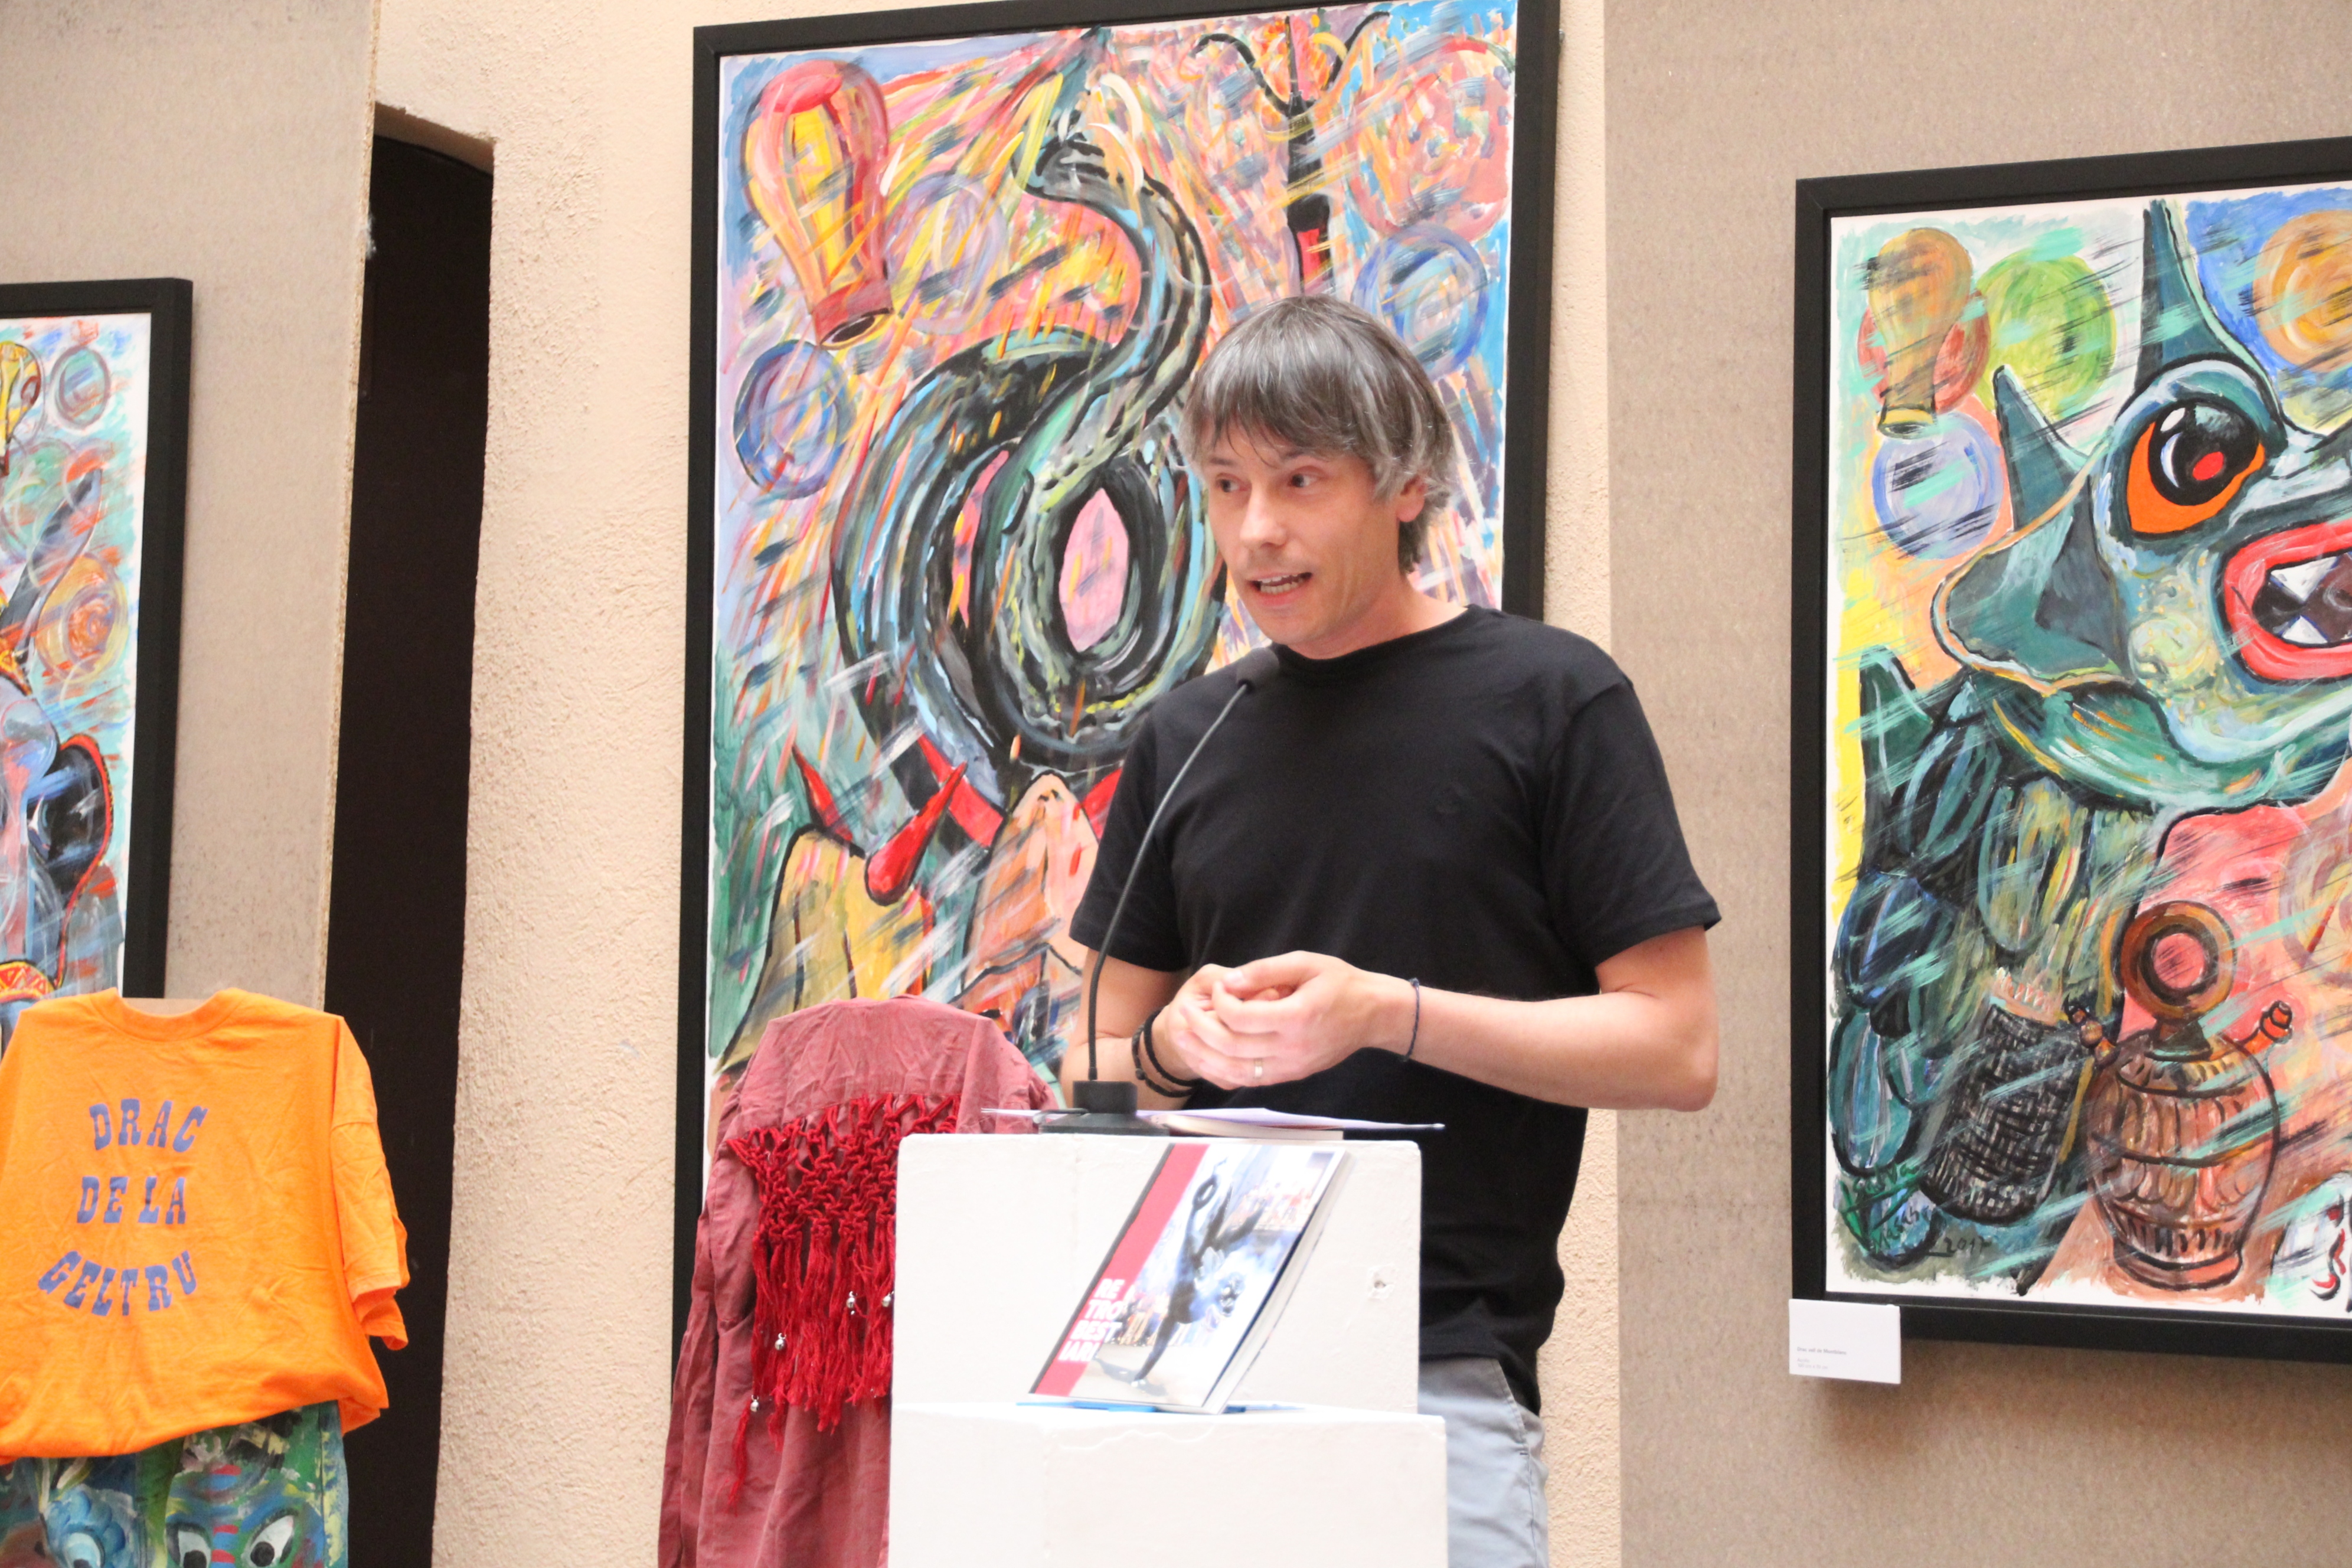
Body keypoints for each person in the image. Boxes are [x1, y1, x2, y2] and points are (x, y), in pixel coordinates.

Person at [1064, 296, 1719, 1567]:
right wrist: (1169, 1047)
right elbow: (1085, 1068)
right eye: (1227, 484)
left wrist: (1386, 1013)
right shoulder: (1184, 734)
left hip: (1435, 1372)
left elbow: (1677, 1047)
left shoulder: (1556, 700)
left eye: (1300, 480)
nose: (1257, 530)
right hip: (1180, 1366)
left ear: (1407, 483)